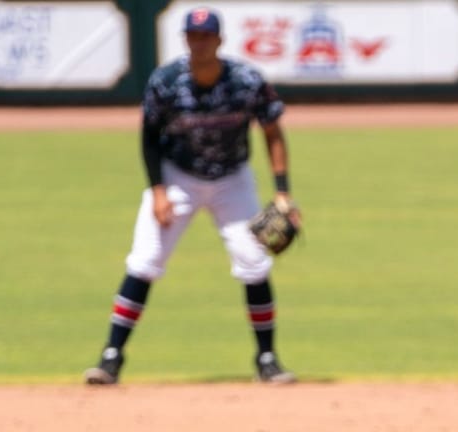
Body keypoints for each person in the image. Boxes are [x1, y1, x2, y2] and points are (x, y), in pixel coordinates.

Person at [83, 6, 299, 385]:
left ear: (219, 40)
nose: (199, 43)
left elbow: (272, 130)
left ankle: (267, 360)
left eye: (206, 36)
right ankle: (111, 357)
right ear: (185, 39)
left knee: (254, 262)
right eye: (193, 36)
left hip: (233, 179)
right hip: (177, 177)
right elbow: (149, 136)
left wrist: (282, 193)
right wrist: (158, 191)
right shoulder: (166, 81)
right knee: (145, 261)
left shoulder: (247, 80)